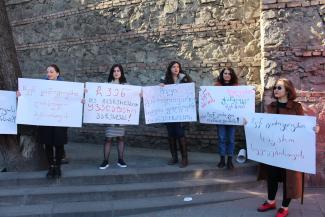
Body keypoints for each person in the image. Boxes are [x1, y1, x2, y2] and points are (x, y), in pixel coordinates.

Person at [256, 78, 319, 217]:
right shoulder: (271, 106)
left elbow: (303, 126)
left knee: (289, 178)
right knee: (271, 176)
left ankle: (284, 207)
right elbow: (264, 126)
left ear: (287, 90)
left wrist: (314, 128)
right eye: (275, 88)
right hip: (273, 150)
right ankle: (270, 201)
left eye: (279, 87)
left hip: (290, 151)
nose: (275, 90)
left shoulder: (296, 107)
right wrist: (250, 124)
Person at [160, 61, 193, 168]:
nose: (176, 68)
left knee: (181, 135)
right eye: (174, 67)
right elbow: (158, 95)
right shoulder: (164, 79)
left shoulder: (185, 78)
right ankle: (174, 158)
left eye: (178, 67)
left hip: (181, 113)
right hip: (169, 112)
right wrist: (160, 87)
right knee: (171, 136)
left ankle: (184, 159)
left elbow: (190, 91)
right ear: (170, 68)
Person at [39, 64, 68, 179]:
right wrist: (20, 95)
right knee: (48, 145)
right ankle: (51, 166)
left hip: (60, 121)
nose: (49, 74)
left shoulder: (66, 87)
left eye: (51, 71)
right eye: (48, 72)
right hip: (46, 120)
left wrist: (81, 95)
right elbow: (31, 96)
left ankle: (58, 167)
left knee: (59, 144)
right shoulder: (41, 86)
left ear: (57, 73)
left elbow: (72, 99)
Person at [99, 64, 128, 169]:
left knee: (121, 138)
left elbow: (132, 99)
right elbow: (97, 96)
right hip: (110, 118)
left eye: (118, 71)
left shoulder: (126, 86)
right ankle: (105, 161)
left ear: (121, 73)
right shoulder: (106, 85)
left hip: (121, 118)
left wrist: (138, 95)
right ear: (112, 73)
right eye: (114, 71)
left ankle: (121, 159)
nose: (116, 72)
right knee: (108, 139)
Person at [214, 67, 238, 170]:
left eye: (229, 73)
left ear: (232, 75)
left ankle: (230, 160)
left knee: (231, 139)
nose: (227, 75)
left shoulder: (237, 87)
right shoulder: (216, 86)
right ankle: (222, 159)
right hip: (220, 117)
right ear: (222, 75)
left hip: (232, 118)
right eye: (225, 73)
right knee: (222, 138)